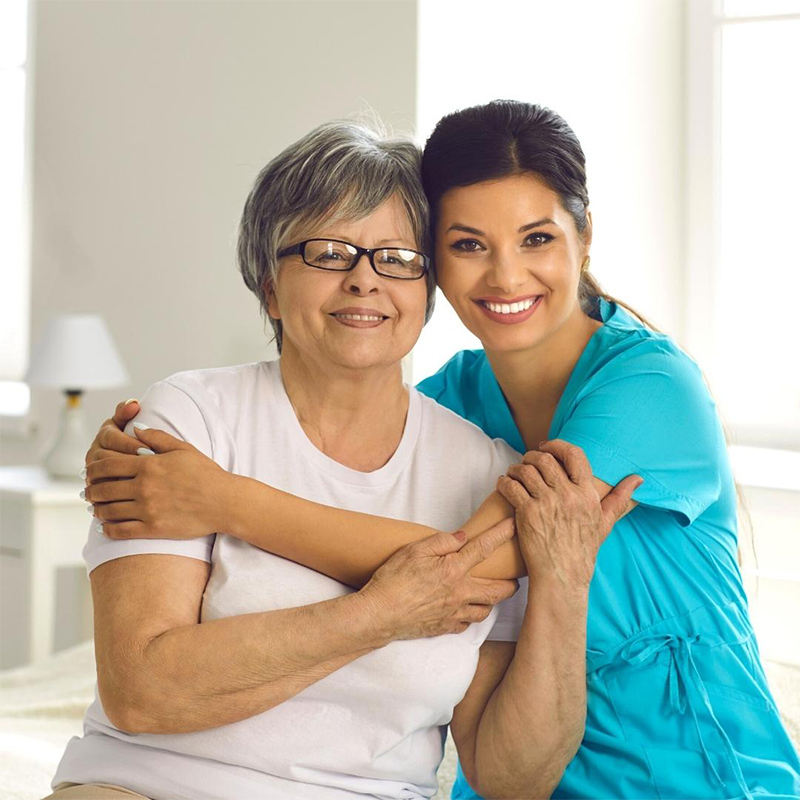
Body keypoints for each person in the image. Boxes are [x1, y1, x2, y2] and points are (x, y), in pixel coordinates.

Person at [90, 101, 800, 800]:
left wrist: (223, 501)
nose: (505, 275)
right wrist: (131, 459)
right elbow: (363, 448)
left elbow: (468, 567)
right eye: (467, 245)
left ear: (585, 239)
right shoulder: (454, 405)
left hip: (684, 767)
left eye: (537, 239)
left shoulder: (647, 386)